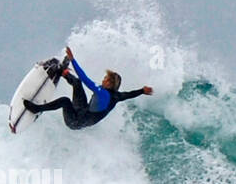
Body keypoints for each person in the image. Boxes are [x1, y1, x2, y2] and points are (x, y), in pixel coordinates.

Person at [24, 46, 153, 130]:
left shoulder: (103, 93)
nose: (103, 80)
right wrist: (142, 91)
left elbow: (86, 79)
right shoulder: (117, 95)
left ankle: (36, 109)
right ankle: (63, 72)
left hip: (76, 121)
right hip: (84, 111)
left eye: (106, 79)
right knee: (77, 83)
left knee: (65, 100)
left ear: (109, 84)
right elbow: (129, 94)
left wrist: (73, 60)